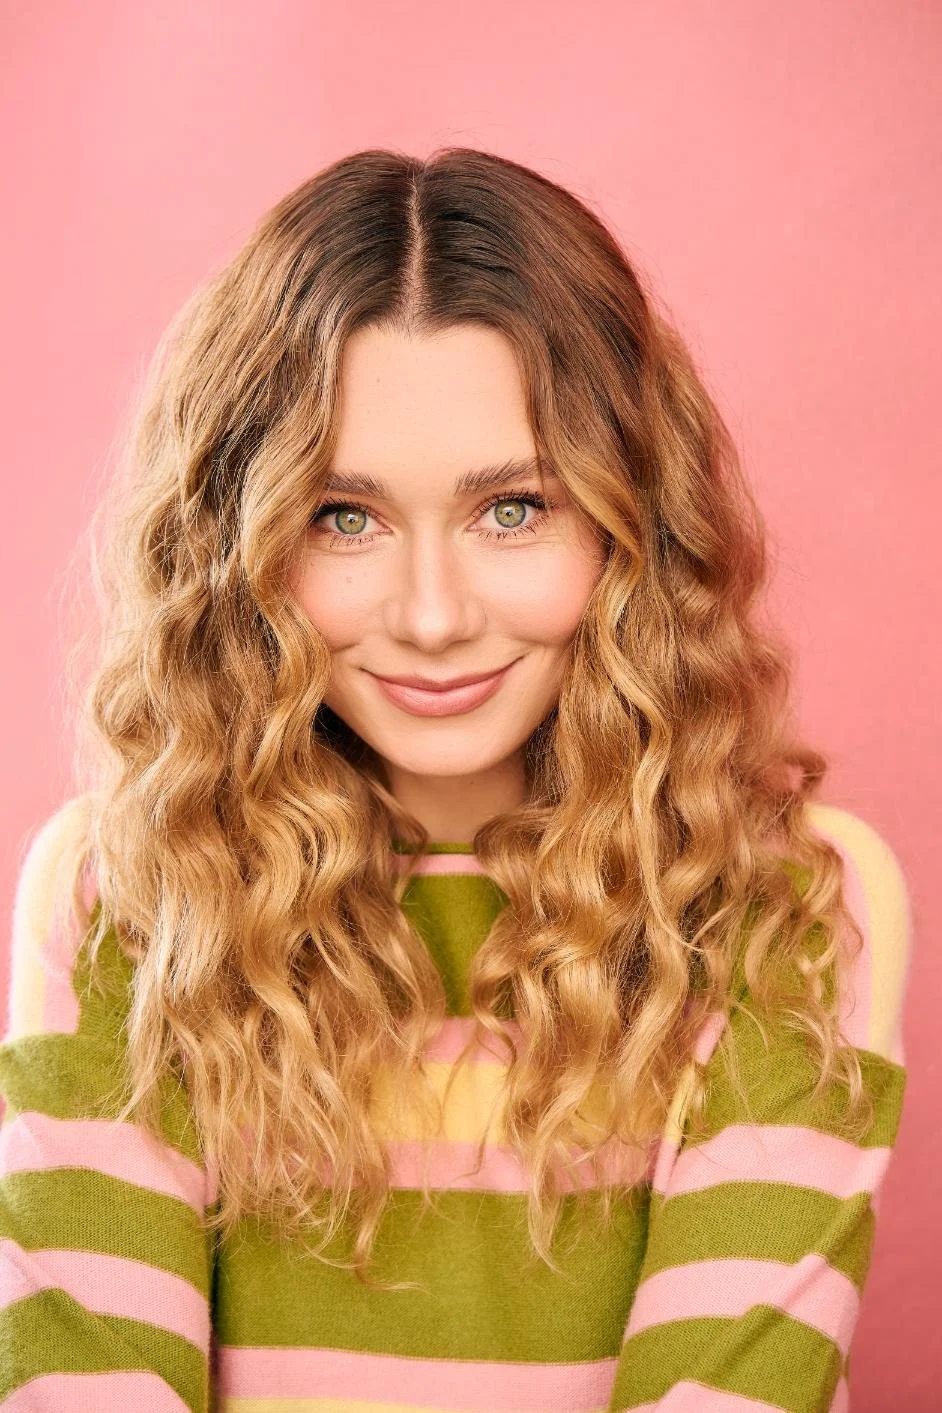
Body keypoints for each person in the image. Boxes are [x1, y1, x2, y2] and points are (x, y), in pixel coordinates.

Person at [0, 147, 911, 1412]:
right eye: (344, 516)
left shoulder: (794, 904)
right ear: (235, 545)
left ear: (635, 527)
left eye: (514, 509)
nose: (432, 617)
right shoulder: (126, 891)